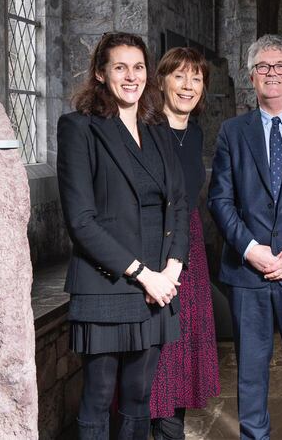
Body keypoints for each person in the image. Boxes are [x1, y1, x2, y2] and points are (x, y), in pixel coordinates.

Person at [57, 32, 188, 439]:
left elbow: (179, 204)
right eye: (120, 67)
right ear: (101, 73)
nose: (131, 76)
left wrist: (171, 269)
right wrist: (143, 275)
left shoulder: (158, 129)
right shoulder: (79, 128)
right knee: (98, 397)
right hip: (108, 283)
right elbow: (81, 221)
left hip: (158, 284)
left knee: (139, 396)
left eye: (138, 67)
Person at [208, 34, 282, 440]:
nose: (272, 73)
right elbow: (220, 199)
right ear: (251, 77)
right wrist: (250, 249)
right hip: (248, 272)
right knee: (251, 370)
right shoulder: (232, 131)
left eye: (280, 67)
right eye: (262, 67)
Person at [149, 47, 221, 440]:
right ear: (161, 81)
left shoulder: (195, 133)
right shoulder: (145, 129)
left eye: (196, 78)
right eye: (179, 76)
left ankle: (171, 431)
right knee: (155, 355)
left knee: (179, 354)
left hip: (189, 248)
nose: (188, 85)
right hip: (154, 247)